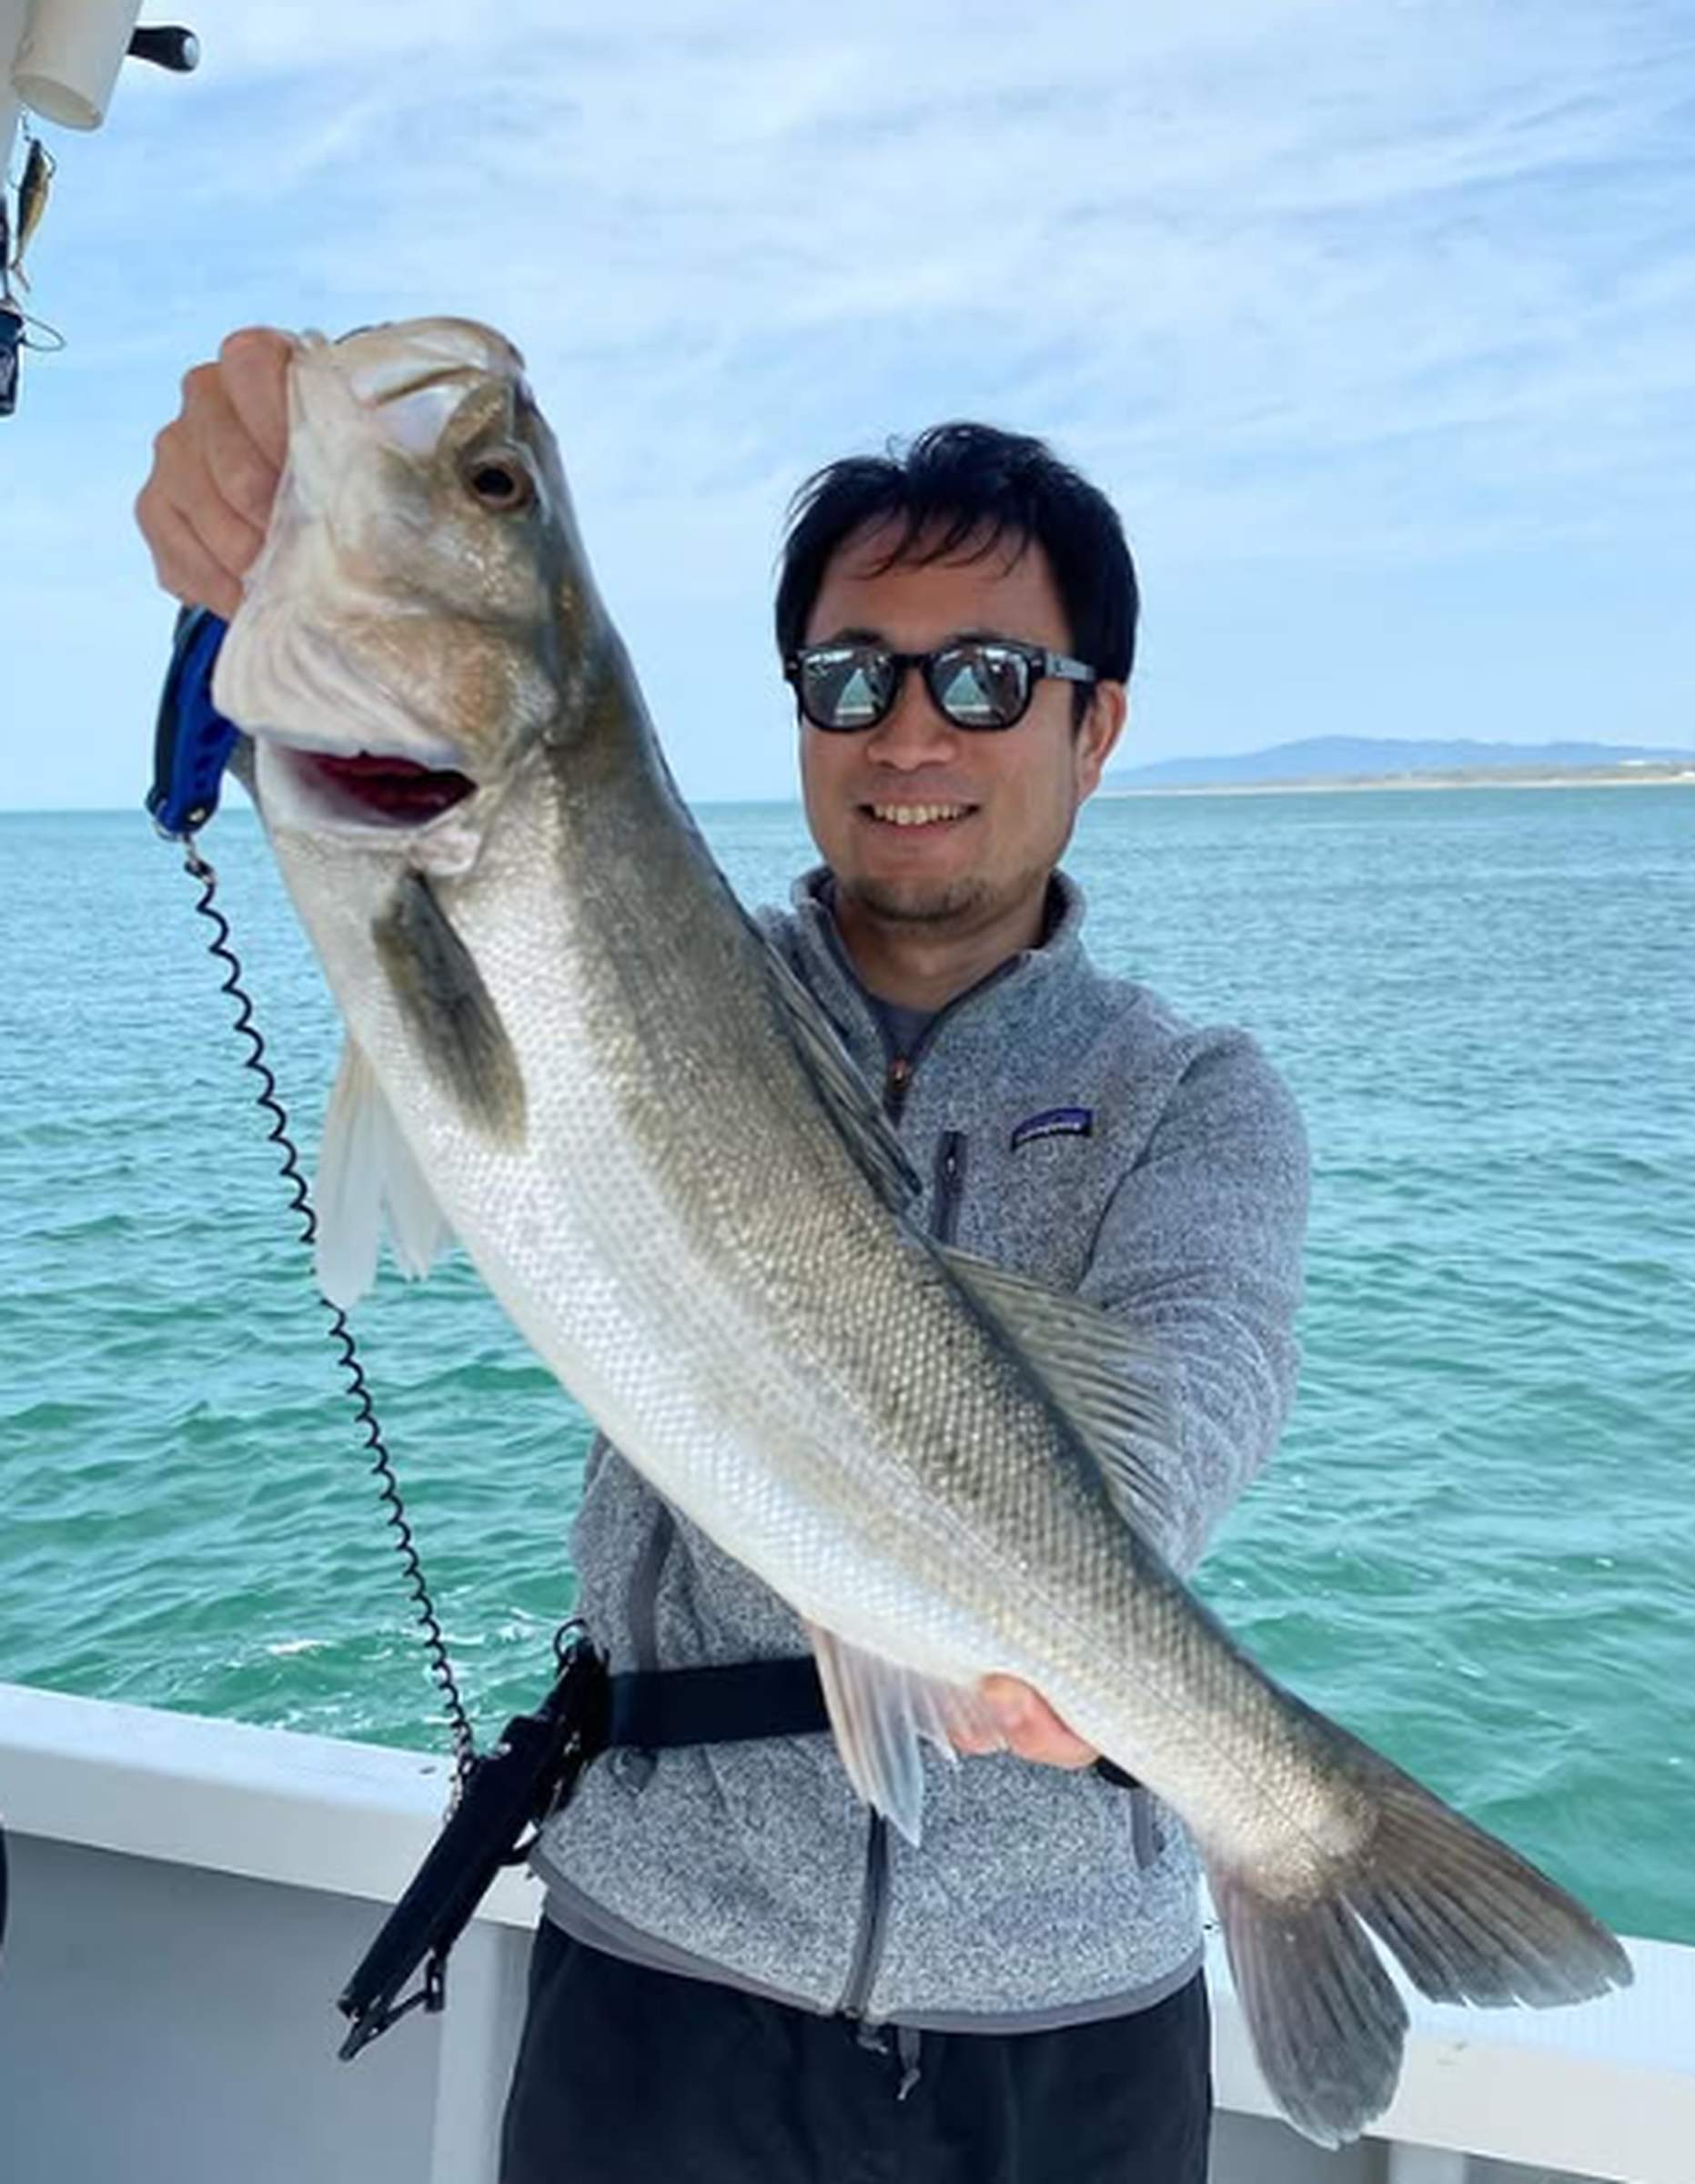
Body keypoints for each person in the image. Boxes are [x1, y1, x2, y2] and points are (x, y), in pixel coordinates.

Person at [138, 328, 1314, 2183]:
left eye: (990, 678)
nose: (912, 731)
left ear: (1098, 724)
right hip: (662, 1979)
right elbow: (328, 732)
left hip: (1072, 2023)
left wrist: (1049, 1623)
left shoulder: (1197, 1095)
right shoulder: (656, 954)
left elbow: (1192, 1401)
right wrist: (242, 563)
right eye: (852, 678)